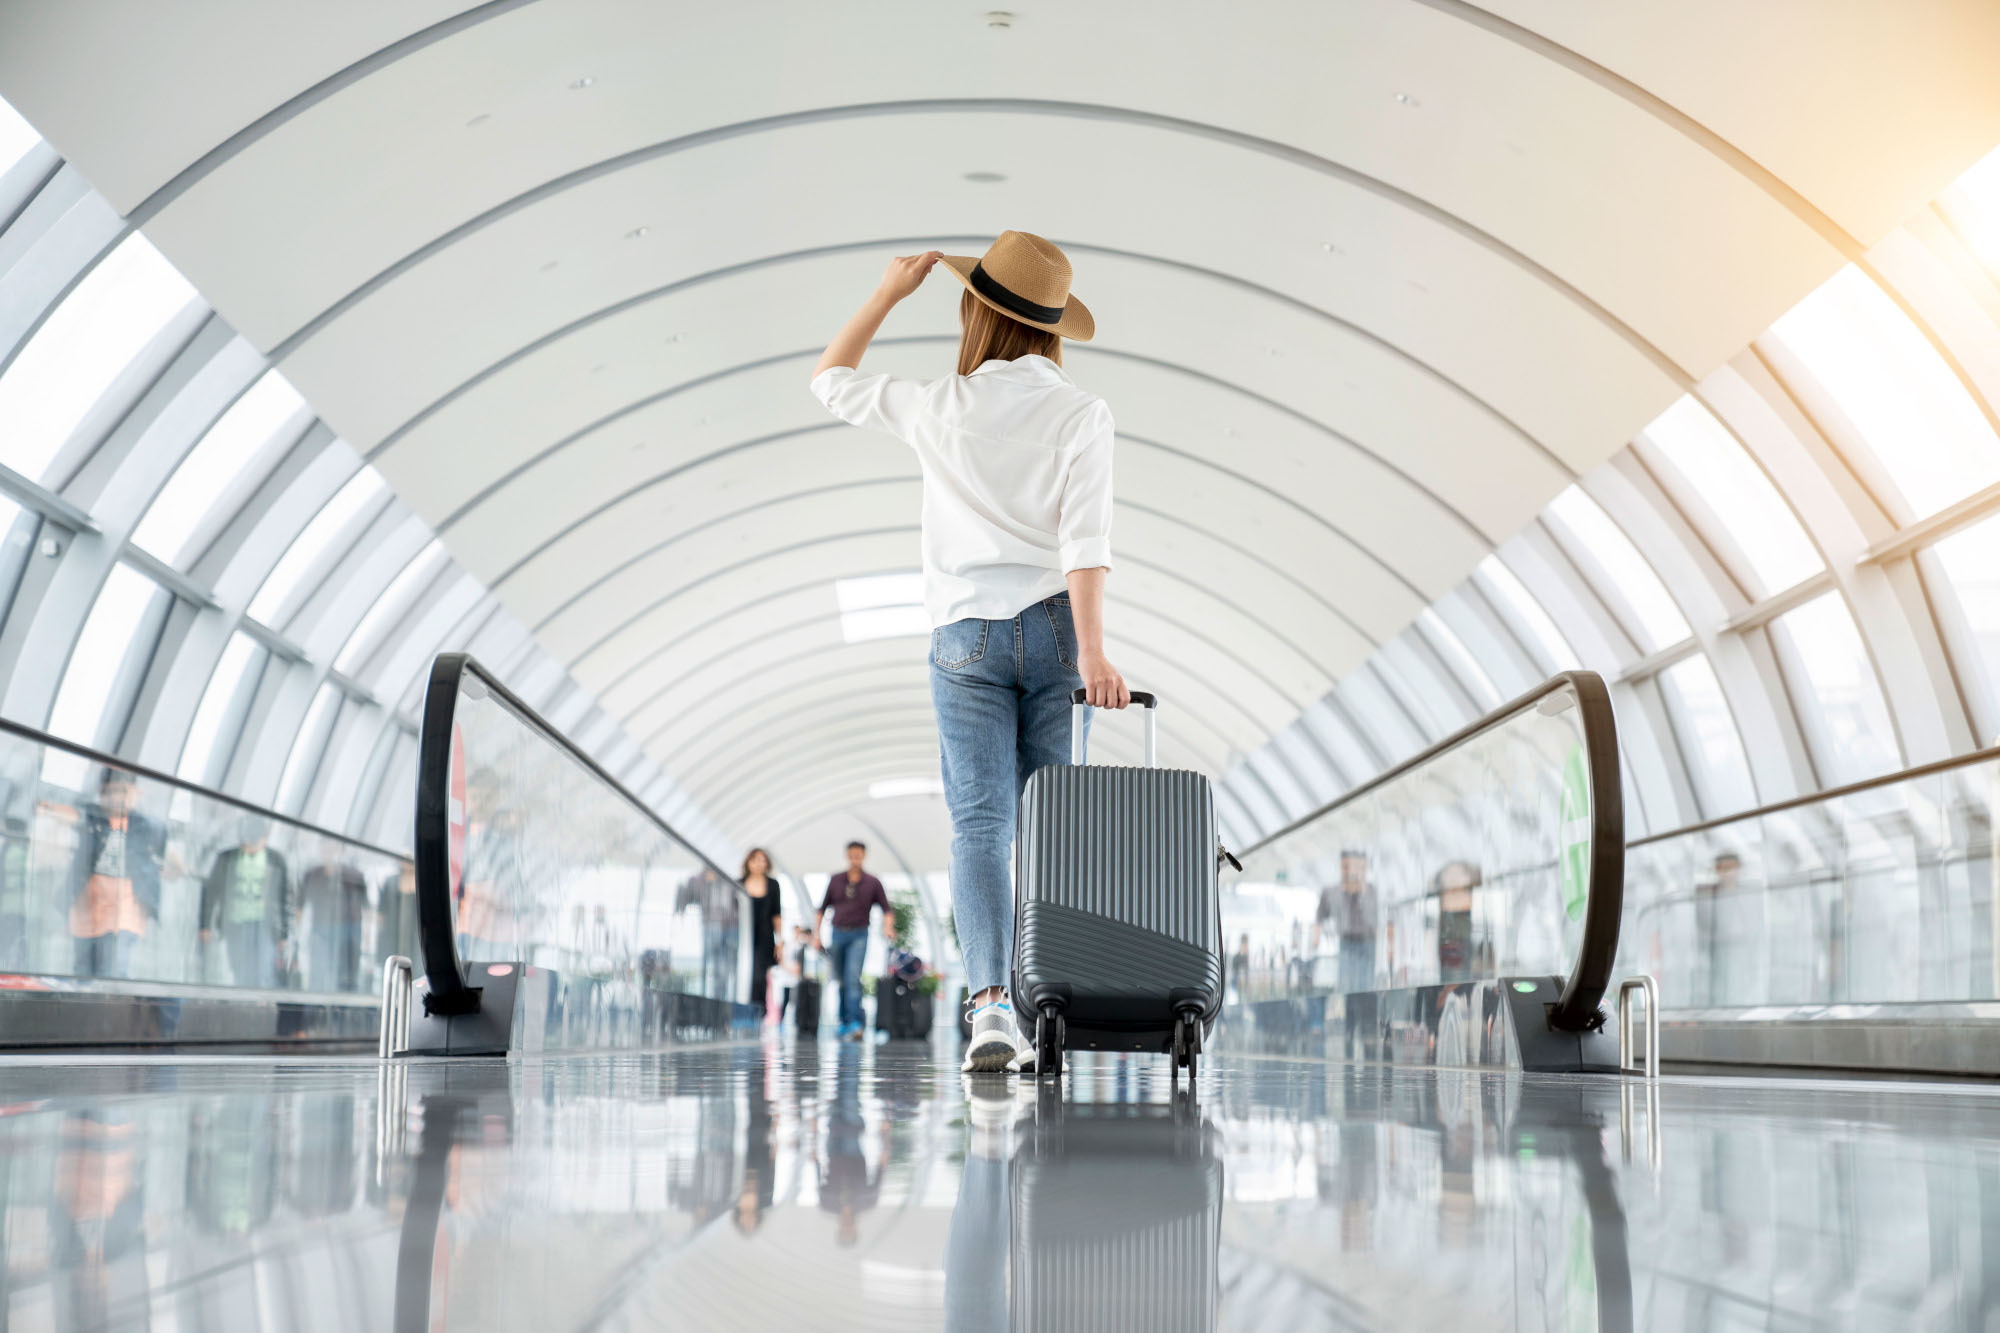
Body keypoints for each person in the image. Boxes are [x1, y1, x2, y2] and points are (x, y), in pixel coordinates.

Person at [810, 232, 1125, 1072]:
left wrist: (885, 294)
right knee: (1051, 825)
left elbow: (829, 380)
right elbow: (1085, 543)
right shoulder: (1083, 414)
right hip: (1057, 630)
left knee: (979, 825)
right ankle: (1052, 999)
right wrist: (1094, 652)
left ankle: (990, 1009)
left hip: (963, 639)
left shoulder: (938, 404)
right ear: (1054, 327)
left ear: (977, 312)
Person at [66, 771, 169, 981]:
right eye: (109, 792)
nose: (116, 798)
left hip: (125, 912)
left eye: (122, 792)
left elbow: (162, 859)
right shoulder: (91, 818)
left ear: (136, 794)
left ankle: (107, 1012)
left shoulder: (147, 826)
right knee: (83, 971)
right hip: (89, 909)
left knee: (112, 971)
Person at [199, 815, 294, 989]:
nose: (250, 848)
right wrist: (205, 925)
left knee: (263, 969)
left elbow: (284, 899)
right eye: (247, 843)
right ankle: (246, 1007)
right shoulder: (227, 858)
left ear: (265, 839)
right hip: (235, 923)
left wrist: (284, 934)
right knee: (239, 968)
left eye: (255, 843)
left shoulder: (276, 860)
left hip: (265, 926)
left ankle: (261, 1007)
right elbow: (211, 892)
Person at [816, 841, 894, 1042]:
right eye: (852, 854)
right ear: (847, 856)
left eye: (859, 855)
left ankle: (855, 1023)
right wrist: (817, 934)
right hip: (837, 933)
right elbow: (821, 909)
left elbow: (887, 910)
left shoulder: (873, 882)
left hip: (859, 934)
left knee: (852, 978)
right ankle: (843, 1023)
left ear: (864, 856)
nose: (855, 858)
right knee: (840, 980)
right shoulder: (835, 880)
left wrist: (888, 928)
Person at [298, 839, 369, 993]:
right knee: (318, 973)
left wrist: (367, 938)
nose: (329, 854)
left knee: (346, 974)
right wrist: (297, 937)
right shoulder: (311, 875)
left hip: (348, 930)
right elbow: (300, 906)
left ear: (341, 850)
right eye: (325, 850)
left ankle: (345, 1008)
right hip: (320, 929)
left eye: (333, 849)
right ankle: (315, 1009)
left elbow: (366, 909)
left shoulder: (354, 875)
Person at [1314, 850, 1378, 995]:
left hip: (1369, 943)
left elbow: (1380, 920)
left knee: (1366, 987)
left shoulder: (1372, 891)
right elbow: (1319, 916)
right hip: (1346, 944)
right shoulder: (1333, 891)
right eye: (1345, 867)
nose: (1350, 871)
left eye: (1355, 867)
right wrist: (1316, 941)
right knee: (1347, 987)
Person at [674, 865, 742, 1001]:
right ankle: (717, 1001)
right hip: (712, 926)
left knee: (732, 968)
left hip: (732, 926)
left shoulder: (731, 875)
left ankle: (729, 1001)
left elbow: (740, 896)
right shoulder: (700, 878)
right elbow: (686, 891)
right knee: (714, 967)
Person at [741, 847, 783, 1015]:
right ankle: (742, 1010)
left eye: (762, 860)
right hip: (743, 936)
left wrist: (780, 941)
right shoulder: (738, 883)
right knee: (744, 973)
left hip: (764, 936)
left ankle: (757, 1012)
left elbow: (777, 914)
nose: (759, 864)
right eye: (755, 859)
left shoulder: (773, 885)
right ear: (748, 862)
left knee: (759, 977)